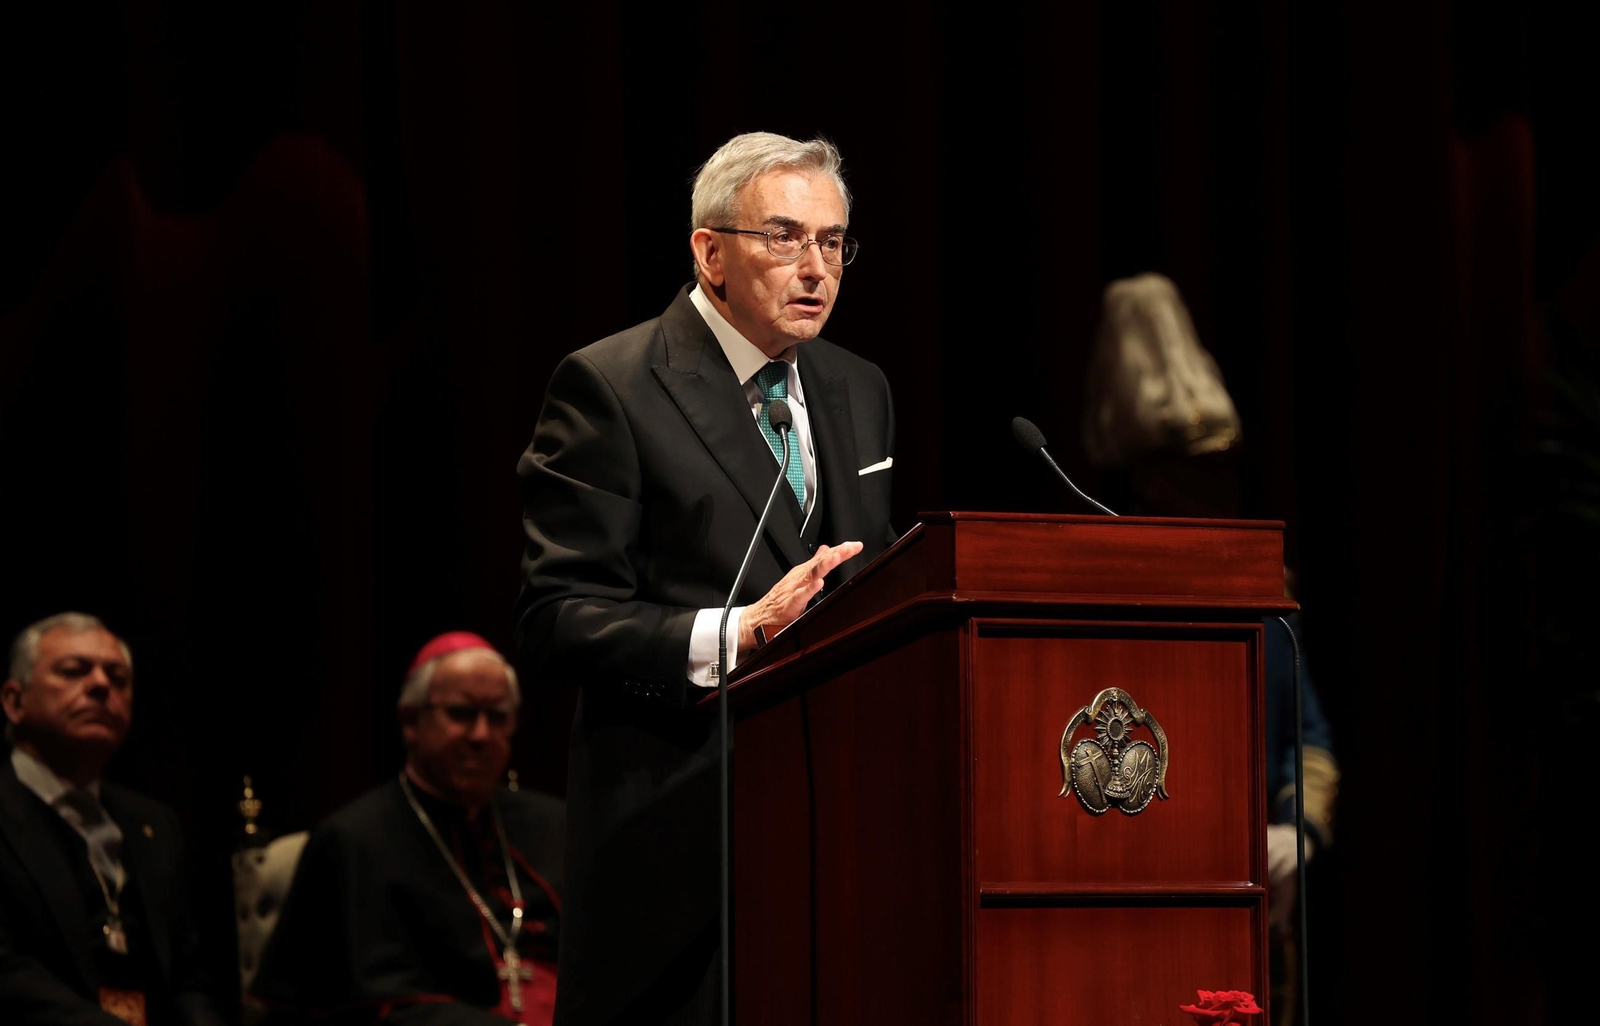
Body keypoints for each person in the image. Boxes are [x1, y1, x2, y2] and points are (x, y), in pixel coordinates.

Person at [515, 132, 897, 1024]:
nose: (816, 268)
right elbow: (556, 615)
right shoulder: (610, 386)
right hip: (678, 849)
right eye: (784, 236)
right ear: (710, 252)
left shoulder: (859, 386)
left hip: (835, 840)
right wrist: (734, 633)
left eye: (833, 241)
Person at [252, 632, 564, 1025]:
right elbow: (362, 1003)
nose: (481, 735)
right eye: (461, 713)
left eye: (498, 716)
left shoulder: (552, 824)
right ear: (411, 721)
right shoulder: (353, 841)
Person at [0, 611, 226, 1026]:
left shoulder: (155, 824)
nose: (102, 685)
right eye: (74, 671)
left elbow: (189, 979)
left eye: (118, 678)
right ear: (15, 702)